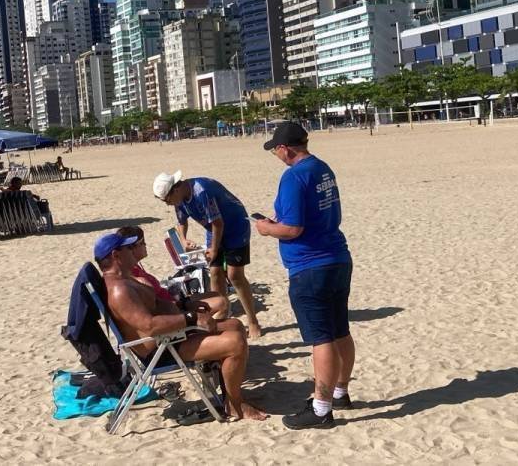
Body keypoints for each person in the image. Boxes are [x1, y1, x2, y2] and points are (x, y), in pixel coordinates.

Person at [95, 230, 267, 421]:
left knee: (235, 324)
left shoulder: (124, 280)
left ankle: (231, 396)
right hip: (161, 348)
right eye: (128, 248)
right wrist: (191, 319)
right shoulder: (119, 290)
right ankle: (234, 405)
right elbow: (149, 326)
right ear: (115, 255)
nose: (132, 252)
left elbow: (156, 305)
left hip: (169, 337)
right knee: (235, 343)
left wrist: (185, 305)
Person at [254, 121, 354, 430]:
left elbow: (293, 228)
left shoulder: (294, 176)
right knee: (339, 330)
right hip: (336, 257)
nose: (276, 155)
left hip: (311, 265)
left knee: (321, 338)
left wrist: (266, 229)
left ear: (285, 148)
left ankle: (322, 408)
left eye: (276, 149)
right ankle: (340, 392)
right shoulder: (322, 168)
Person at [153, 171, 263, 339]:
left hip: (235, 227)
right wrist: (183, 240)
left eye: (167, 200)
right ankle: (223, 311)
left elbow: (219, 223)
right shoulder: (179, 199)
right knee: (215, 273)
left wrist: (214, 249)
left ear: (175, 189)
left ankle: (253, 321)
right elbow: (182, 222)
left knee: (235, 276)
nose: (168, 204)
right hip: (214, 230)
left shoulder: (201, 191)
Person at [116, 225, 229, 318]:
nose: (146, 245)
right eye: (142, 242)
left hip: (174, 301)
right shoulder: (134, 275)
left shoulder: (134, 268)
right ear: (131, 248)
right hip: (173, 309)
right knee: (221, 303)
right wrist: (183, 305)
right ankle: (207, 333)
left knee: (217, 295)